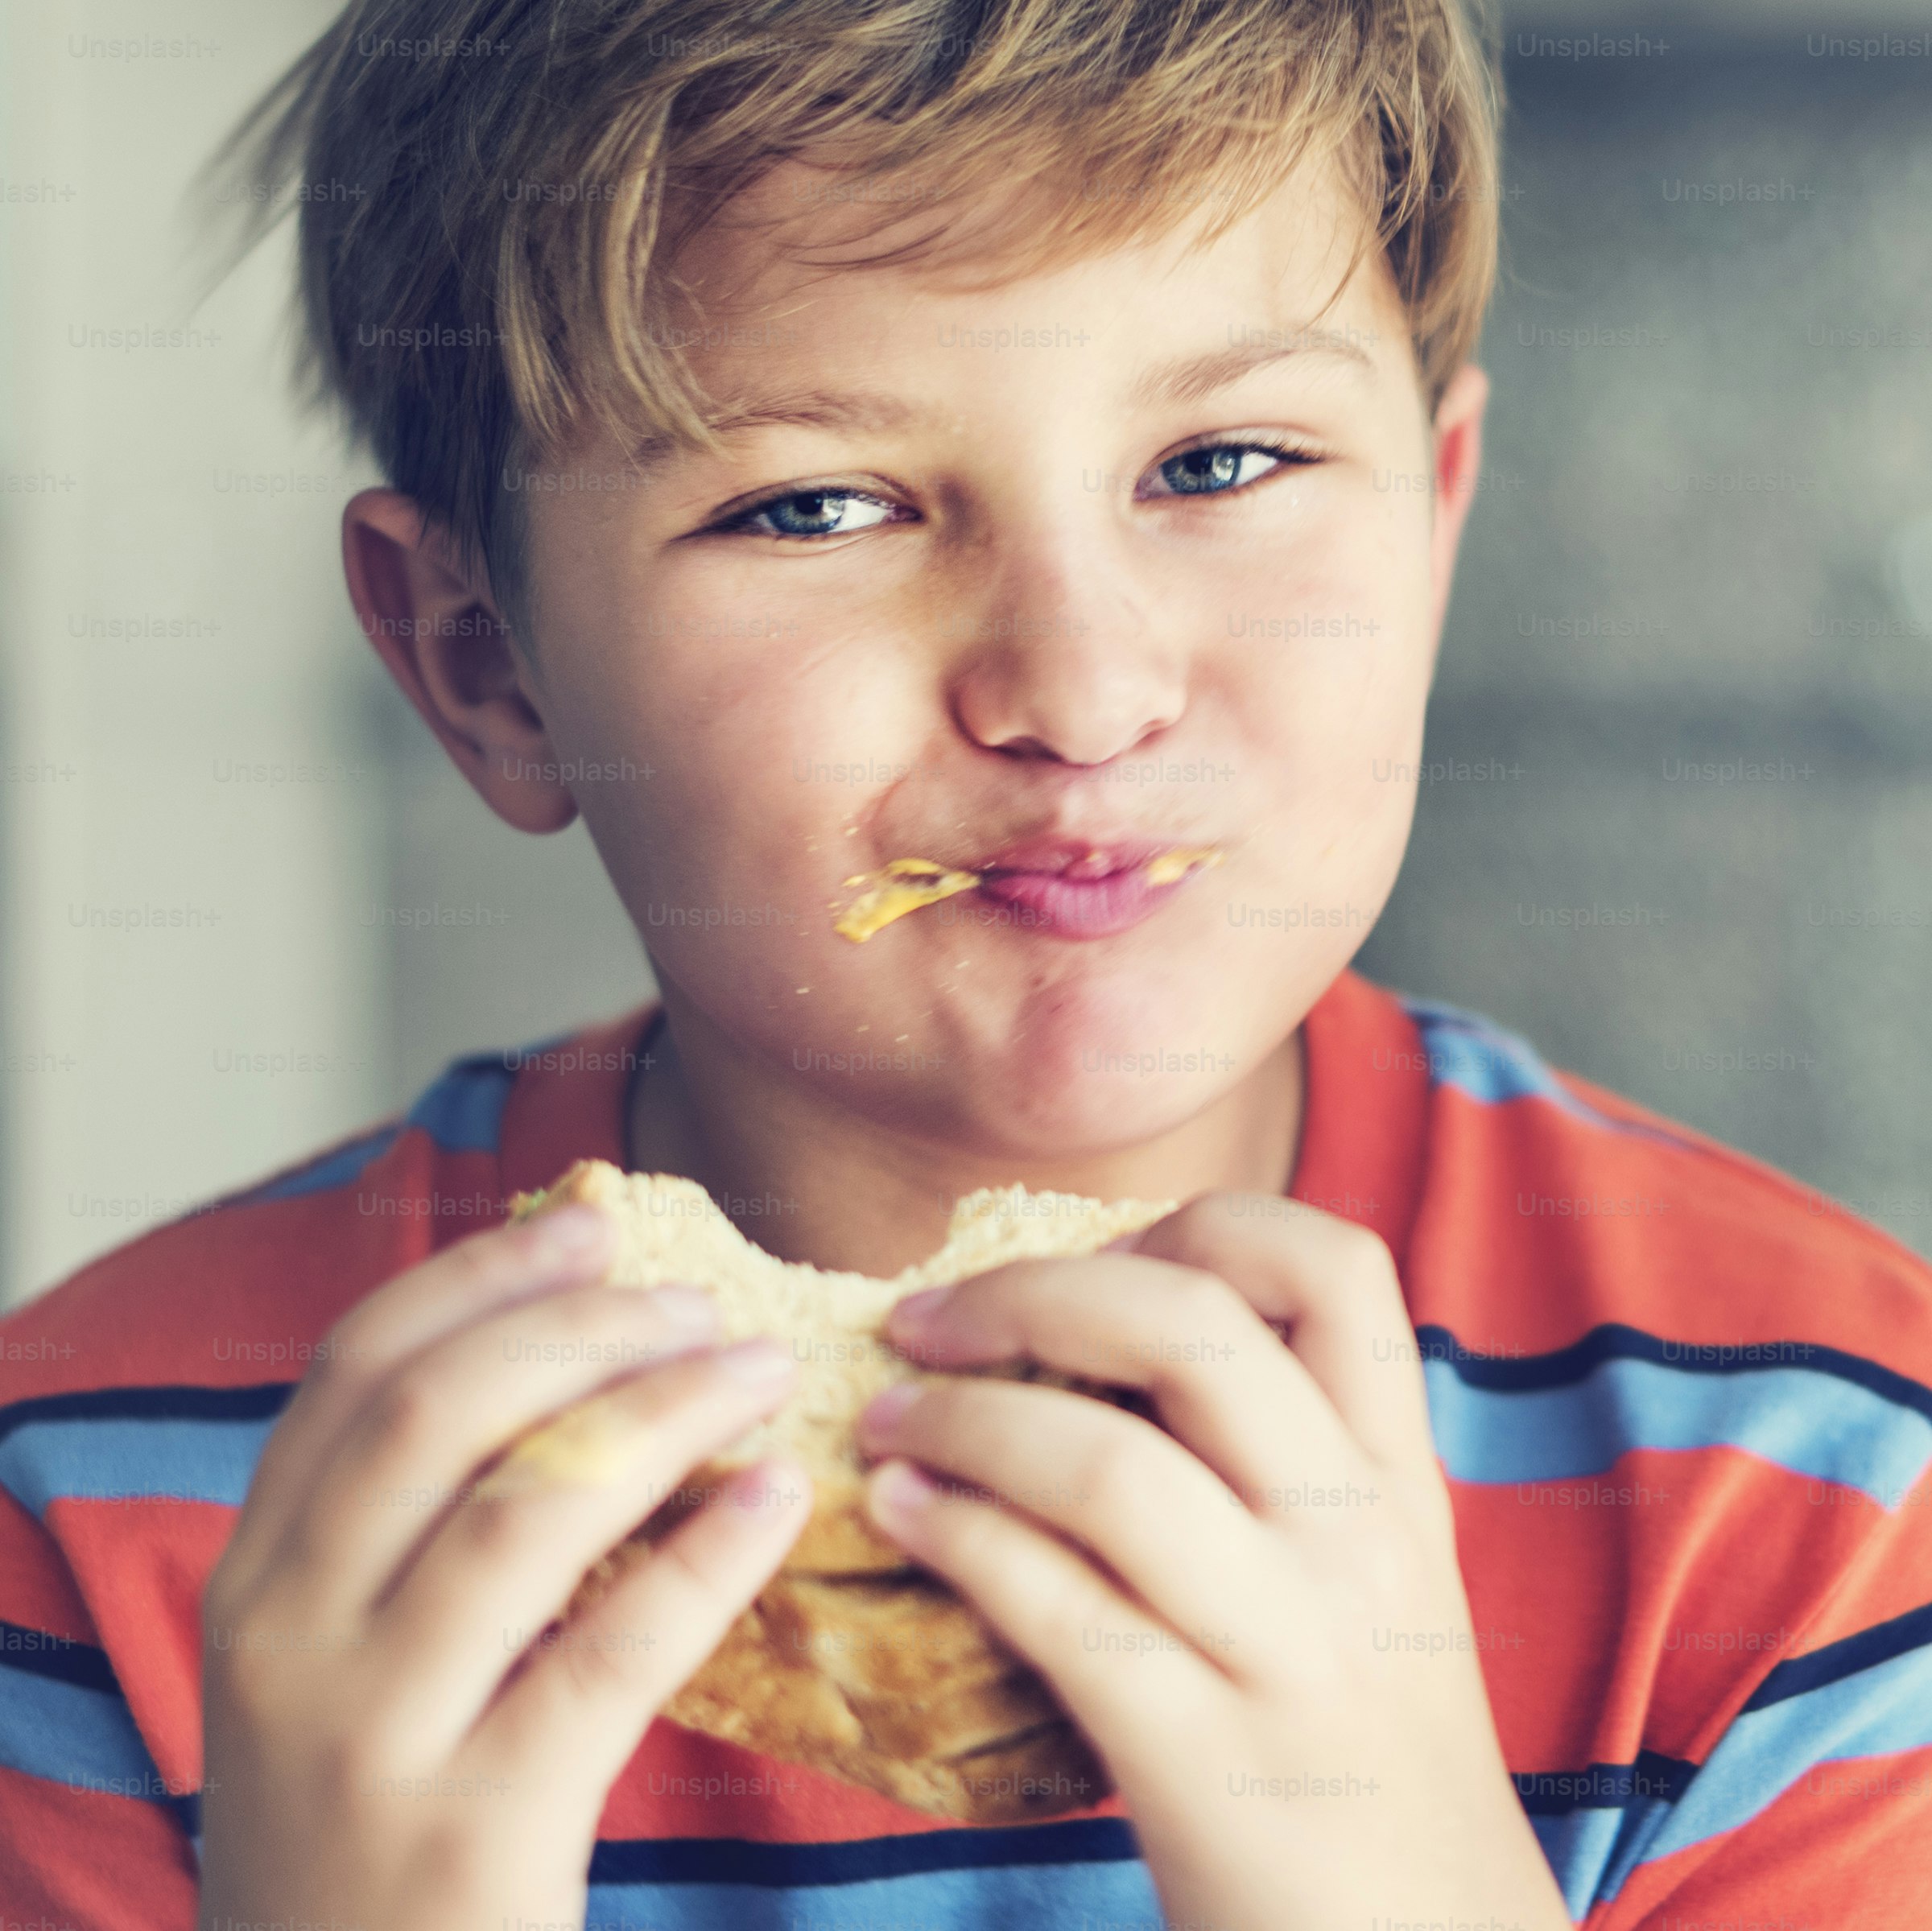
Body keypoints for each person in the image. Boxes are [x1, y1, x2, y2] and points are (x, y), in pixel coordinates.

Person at [5, 2, 1930, 1926]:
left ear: (1431, 528)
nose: (1083, 692)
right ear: (484, 666)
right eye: (814, 507)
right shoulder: (95, 1508)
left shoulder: (1820, 1484)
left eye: (1225, 462)